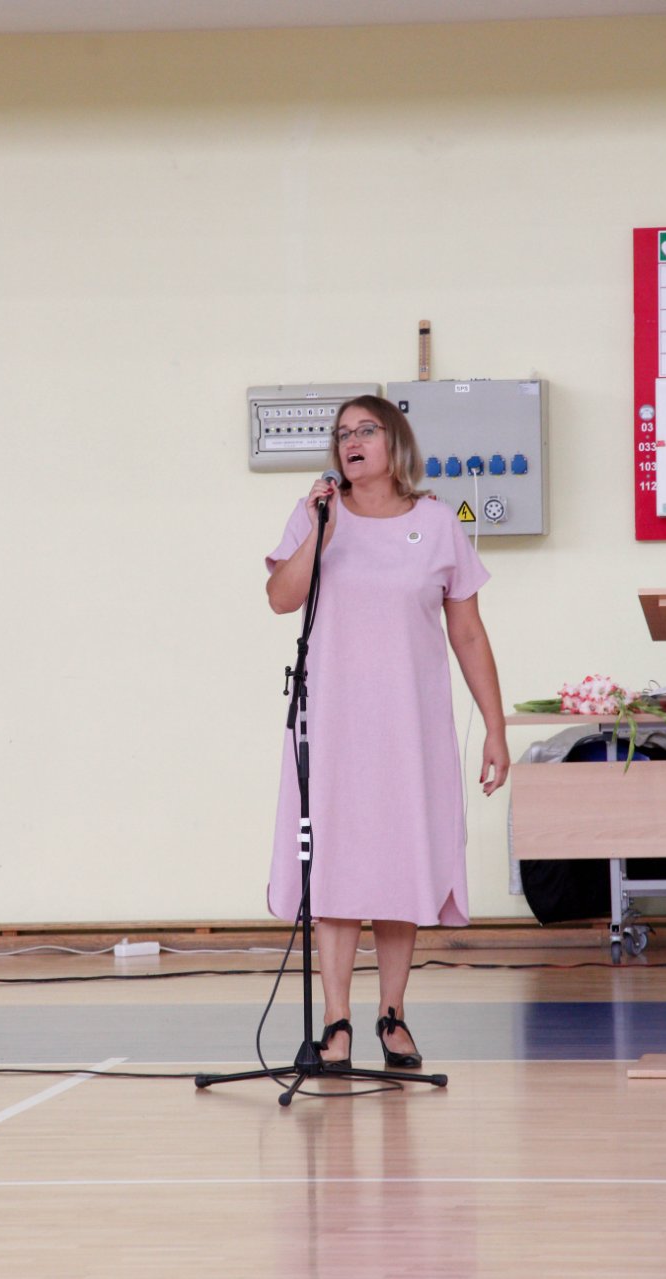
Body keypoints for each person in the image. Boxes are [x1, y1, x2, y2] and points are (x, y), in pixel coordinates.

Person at [265, 395, 509, 1070]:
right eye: (342, 432)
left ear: (394, 441)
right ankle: (336, 1020)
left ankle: (392, 1013)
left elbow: (467, 632)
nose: (351, 441)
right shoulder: (317, 513)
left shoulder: (436, 523)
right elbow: (281, 598)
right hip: (333, 722)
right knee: (336, 864)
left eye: (365, 429)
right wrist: (319, 533)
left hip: (410, 725)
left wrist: (494, 726)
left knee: (401, 861)